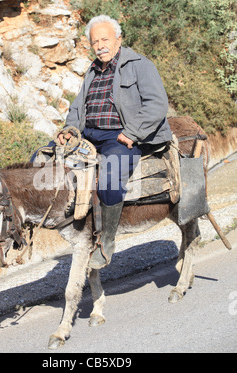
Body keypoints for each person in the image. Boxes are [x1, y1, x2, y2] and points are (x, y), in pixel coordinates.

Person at [35, 15, 173, 269]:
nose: (100, 45)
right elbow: (78, 108)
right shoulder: (92, 70)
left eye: (105, 39)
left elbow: (157, 105)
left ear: (118, 39)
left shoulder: (140, 65)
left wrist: (132, 132)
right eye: (95, 41)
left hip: (122, 135)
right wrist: (70, 130)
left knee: (109, 175)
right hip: (89, 135)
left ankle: (107, 240)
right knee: (41, 157)